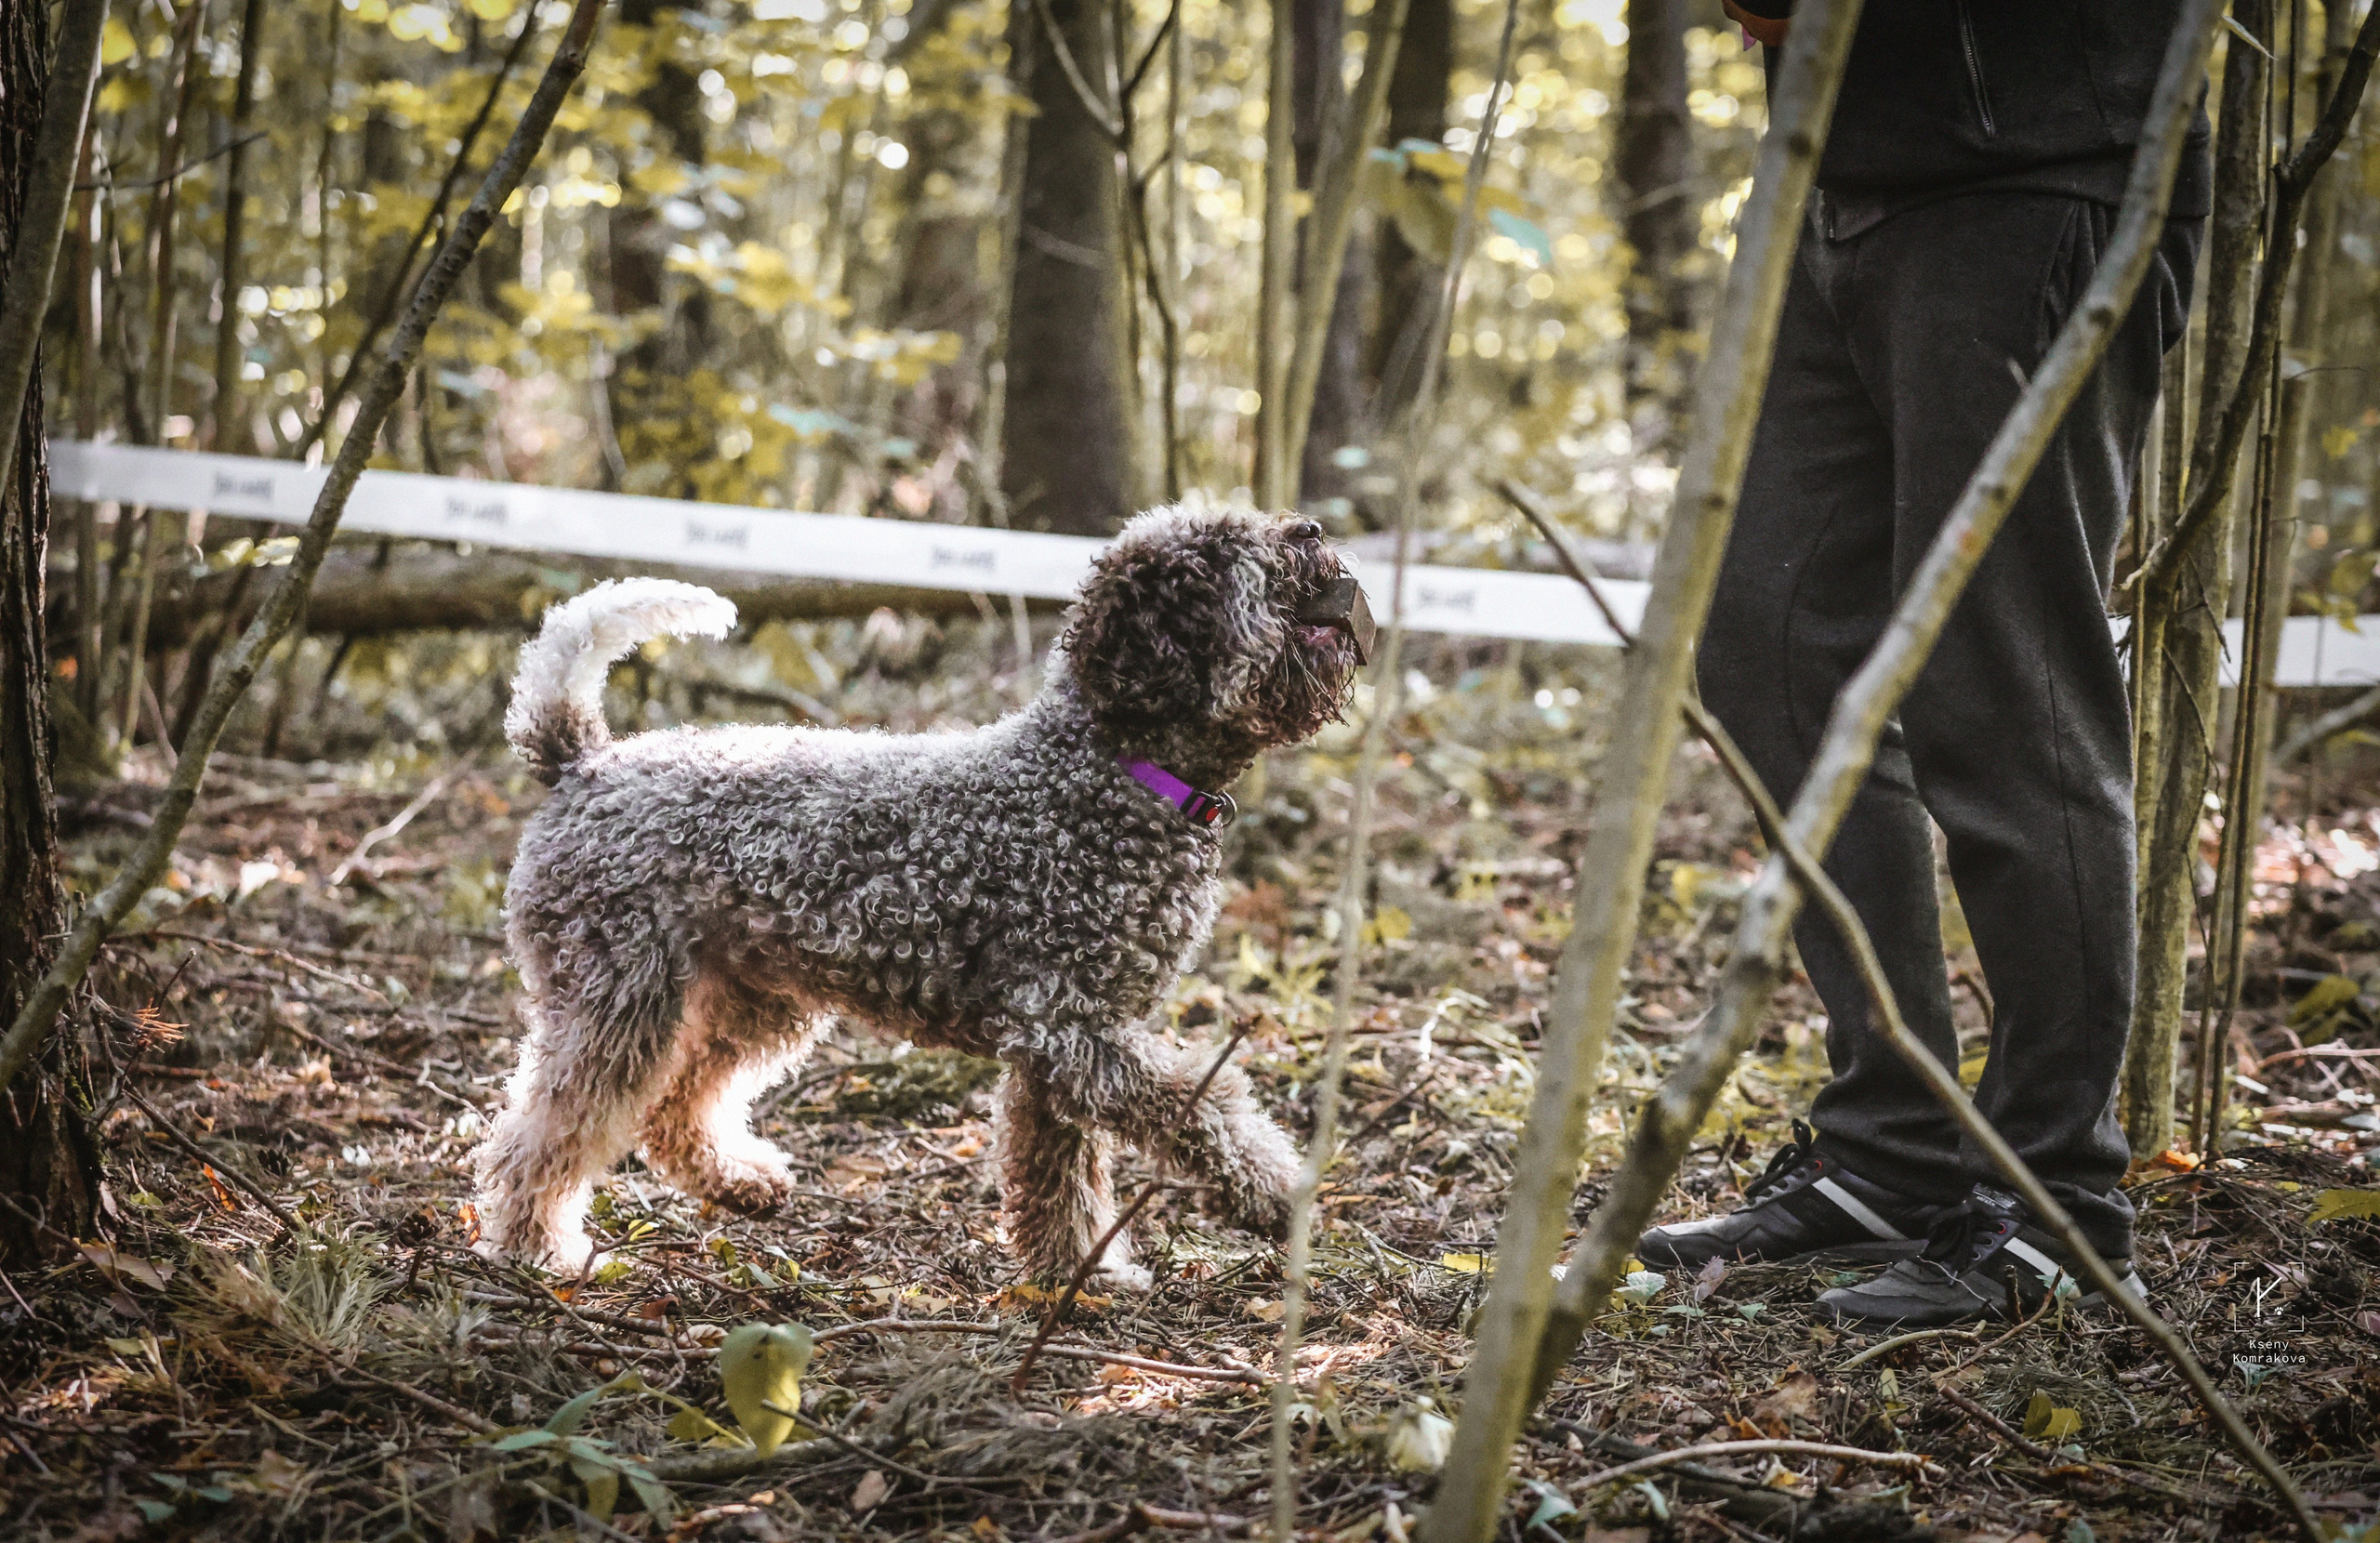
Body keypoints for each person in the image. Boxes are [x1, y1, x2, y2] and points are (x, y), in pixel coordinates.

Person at [1633, 0, 2210, 1326]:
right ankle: (1892, 1154)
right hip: (1821, 179)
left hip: (2040, 170)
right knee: (1766, 658)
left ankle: (2058, 1203)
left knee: (2003, 687)